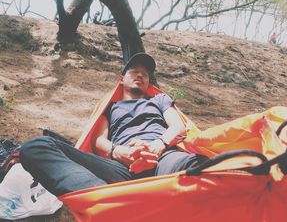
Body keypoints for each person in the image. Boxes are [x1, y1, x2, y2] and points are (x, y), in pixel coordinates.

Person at [20, 53, 208, 197]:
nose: (141, 76)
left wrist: (158, 145)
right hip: (121, 167)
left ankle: (110, 204)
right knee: (36, 147)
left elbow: (178, 127)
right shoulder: (111, 107)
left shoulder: (159, 99)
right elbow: (98, 141)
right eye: (135, 71)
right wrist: (117, 151)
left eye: (145, 74)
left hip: (163, 158)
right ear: (122, 79)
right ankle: (105, 202)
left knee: (201, 167)